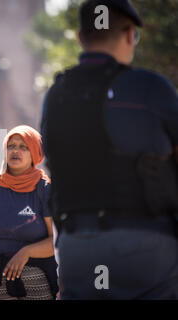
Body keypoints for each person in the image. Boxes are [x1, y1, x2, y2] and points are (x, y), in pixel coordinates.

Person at [41, 0, 178, 299]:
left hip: (78, 247)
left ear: (80, 38)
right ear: (129, 35)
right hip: (146, 244)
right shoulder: (151, 87)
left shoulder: (56, 94)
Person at [0, 125, 58, 300]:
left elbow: (55, 241)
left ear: (34, 152)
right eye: (11, 146)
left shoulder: (44, 190)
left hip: (36, 284)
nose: (15, 151)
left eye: (23, 147)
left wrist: (25, 253)